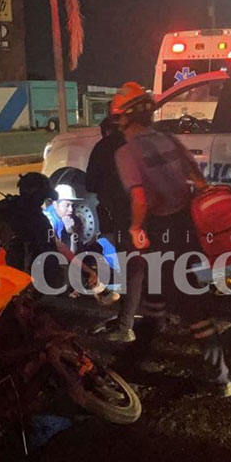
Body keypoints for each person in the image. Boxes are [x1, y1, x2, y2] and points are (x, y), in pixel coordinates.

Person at [112, 81, 231, 398]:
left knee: (189, 305)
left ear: (124, 118)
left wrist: (136, 226)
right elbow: (195, 174)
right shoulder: (168, 139)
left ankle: (221, 378)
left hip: (160, 229)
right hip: (184, 225)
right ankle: (137, 357)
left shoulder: (127, 152)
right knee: (156, 294)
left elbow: (139, 196)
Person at [86, 114, 142, 342]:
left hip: (123, 215)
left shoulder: (104, 146)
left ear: (107, 130)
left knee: (130, 266)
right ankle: (135, 315)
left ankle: (125, 325)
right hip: (151, 211)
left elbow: (90, 184)